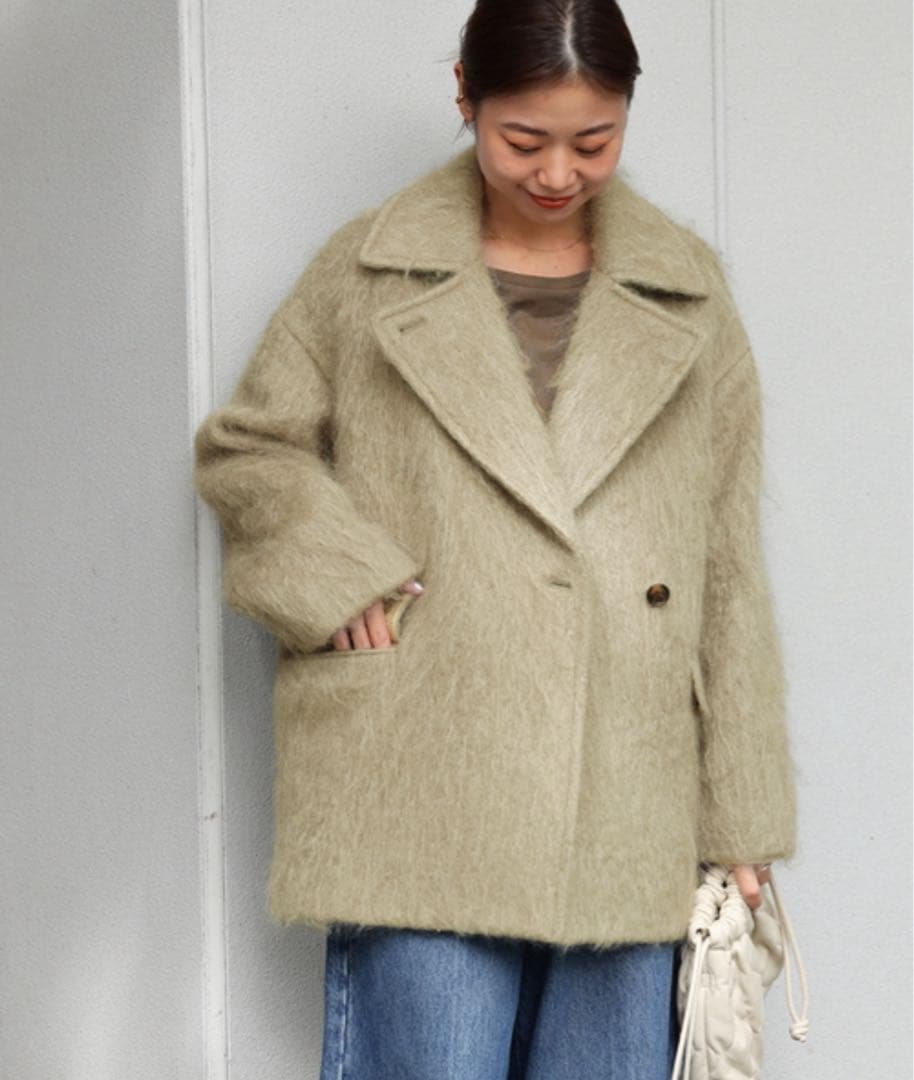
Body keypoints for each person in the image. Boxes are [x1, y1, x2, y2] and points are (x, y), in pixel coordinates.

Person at [191, 1, 799, 1076]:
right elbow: (250, 450)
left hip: (626, 785)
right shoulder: (368, 272)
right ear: (465, 97)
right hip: (424, 769)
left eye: (593, 141)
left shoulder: (689, 296)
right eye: (524, 139)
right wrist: (335, 576)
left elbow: (726, 564)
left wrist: (740, 815)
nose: (558, 172)